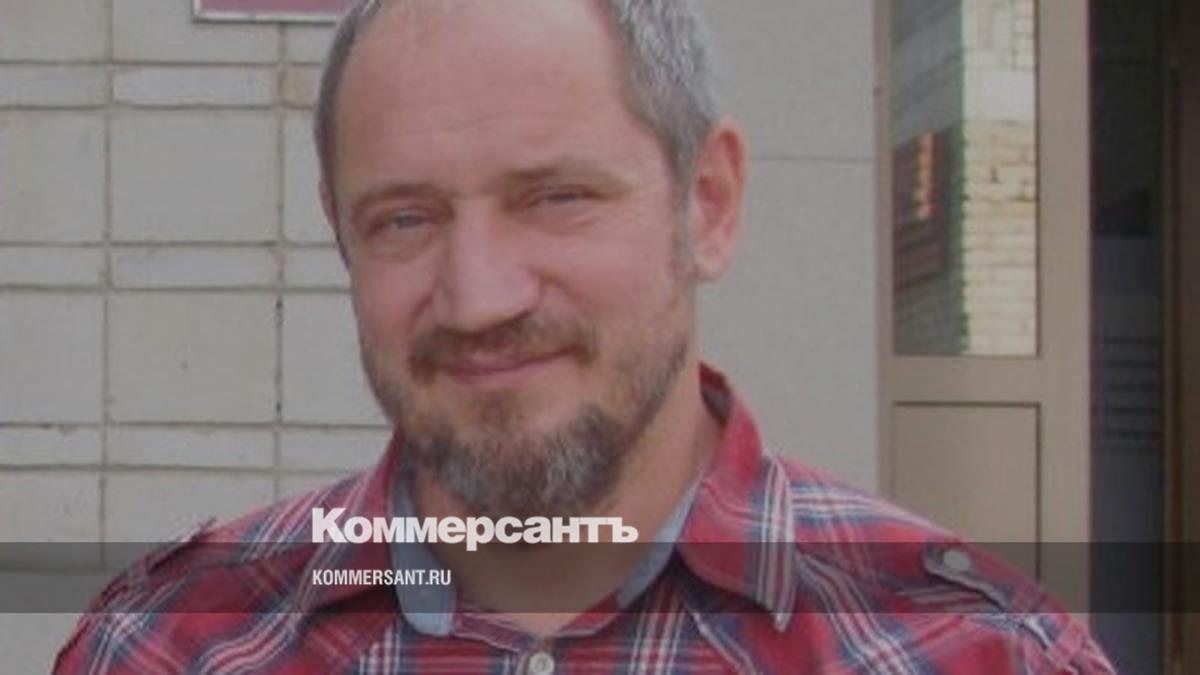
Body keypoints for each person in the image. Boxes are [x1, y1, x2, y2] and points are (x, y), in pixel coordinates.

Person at [56, 0, 1113, 672]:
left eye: (556, 197)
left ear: (708, 204)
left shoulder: (976, 652)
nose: (478, 297)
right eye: (406, 219)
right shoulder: (171, 644)